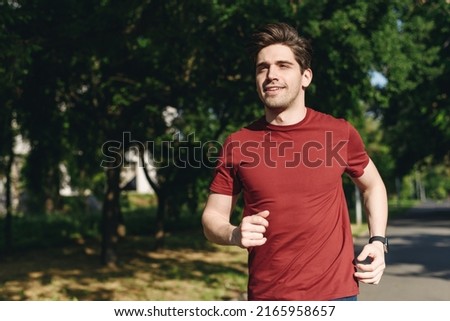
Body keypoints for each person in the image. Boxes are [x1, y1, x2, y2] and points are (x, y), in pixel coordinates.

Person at [201, 22, 388, 301]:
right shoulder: (238, 144)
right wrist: (234, 233)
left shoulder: (338, 133)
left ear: (306, 77)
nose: (271, 75)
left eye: (283, 65)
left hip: (336, 296)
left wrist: (378, 241)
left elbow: (373, 186)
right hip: (268, 298)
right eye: (262, 67)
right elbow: (211, 218)